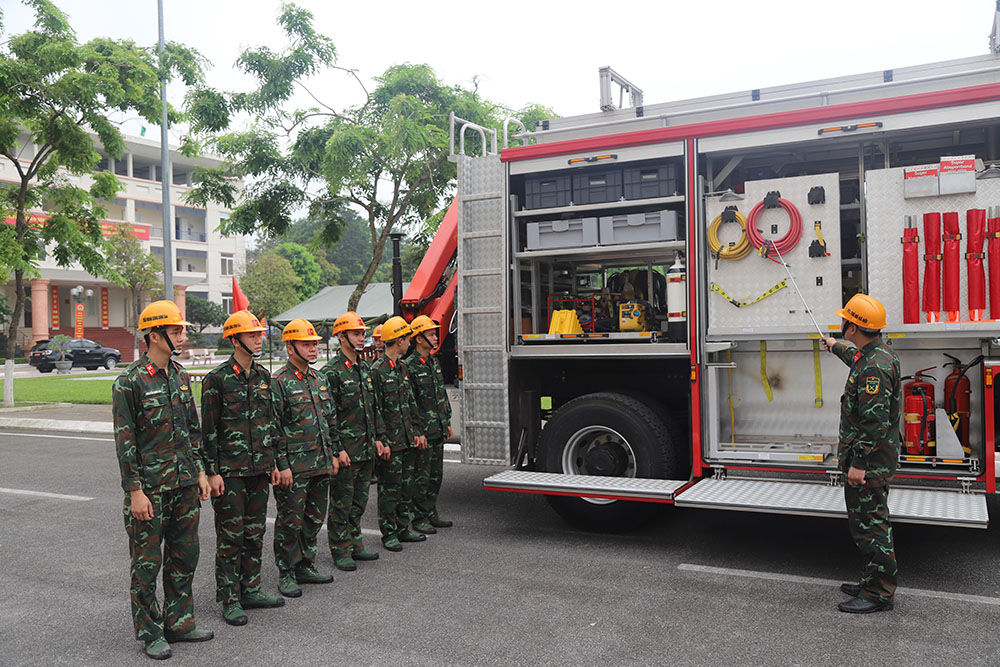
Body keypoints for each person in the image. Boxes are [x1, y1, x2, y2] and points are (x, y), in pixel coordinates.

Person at [112, 300, 213, 660]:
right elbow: (126, 443)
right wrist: (135, 491)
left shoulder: (181, 376)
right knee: (146, 563)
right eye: (176, 331)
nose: (183, 336)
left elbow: (191, 430)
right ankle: (150, 631)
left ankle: (180, 621)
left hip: (184, 484)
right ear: (154, 336)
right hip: (150, 490)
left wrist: (200, 471)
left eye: (182, 330)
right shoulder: (129, 382)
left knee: (185, 556)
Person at [201, 310, 285, 626]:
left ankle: (250, 589)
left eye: (260, 334)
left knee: (254, 533)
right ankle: (230, 598)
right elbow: (208, 431)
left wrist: (274, 461)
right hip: (230, 473)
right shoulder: (217, 380)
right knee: (230, 537)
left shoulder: (264, 377)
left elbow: (271, 424)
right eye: (252, 335)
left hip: (259, 470)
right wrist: (211, 472)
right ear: (235, 339)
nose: (258, 339)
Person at [821, 293, 900, 614]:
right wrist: (834, 345)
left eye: (845, 321)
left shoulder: (874, 370)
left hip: (869, 465)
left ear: (853, 326)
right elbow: (855, 357)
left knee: (871, 526)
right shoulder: (876, 355)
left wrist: (859, 465)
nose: (842, 324)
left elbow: (874, 422)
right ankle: (872, 580)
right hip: (873, 461)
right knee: (866, 524)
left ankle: (879, 593)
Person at [271, 318, 342, 598]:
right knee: (290, 520)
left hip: (320, 463)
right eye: (306, 344)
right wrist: (282, 466)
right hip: (295, 468)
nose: (313, 349)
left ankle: (305, 564)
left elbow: (330, 420)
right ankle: (286, 571)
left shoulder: (319, 379)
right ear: (290, 348)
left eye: (314, 344)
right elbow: (274, 429)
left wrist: (334, 453)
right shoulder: (279, 382)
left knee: (313, 518)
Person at [322, 312, 384, 571]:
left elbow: (373, 407)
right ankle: (340, 549)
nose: (362, 338)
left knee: (359, 501)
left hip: (366, 448)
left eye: (362, 333)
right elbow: (329, 415)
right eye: (357, 334)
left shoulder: (365, 368)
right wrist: (337, 450)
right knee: (341, 503)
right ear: (341, 336)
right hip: (347, 450)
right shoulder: (332, 373)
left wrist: (379, 438)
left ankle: (355, 542)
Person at [370, 316, 426, 552]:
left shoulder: (403, 368)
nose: (409, 343)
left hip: (406, 440)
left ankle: (403, 528)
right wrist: (381, 440)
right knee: (389, 490)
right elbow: (375, 409)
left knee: (405, 487)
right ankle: (389, 532)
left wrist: (417, 432)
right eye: (407, 338)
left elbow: (410, 404)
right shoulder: (377, 371)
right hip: (391, 442)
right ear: (399, 340)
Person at [403, 315, 454, 534]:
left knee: (436, 476)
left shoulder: (433, 361)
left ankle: (431, 512)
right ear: (418, 338)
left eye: (435, 333)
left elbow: (440, 395)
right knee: (421, 478)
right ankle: (419, 517)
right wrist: (416, 431)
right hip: (423, 431)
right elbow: (409, 402)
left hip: (437, 429)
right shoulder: (409, 366)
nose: (435, 336)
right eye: (431, 333)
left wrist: (446, 421)